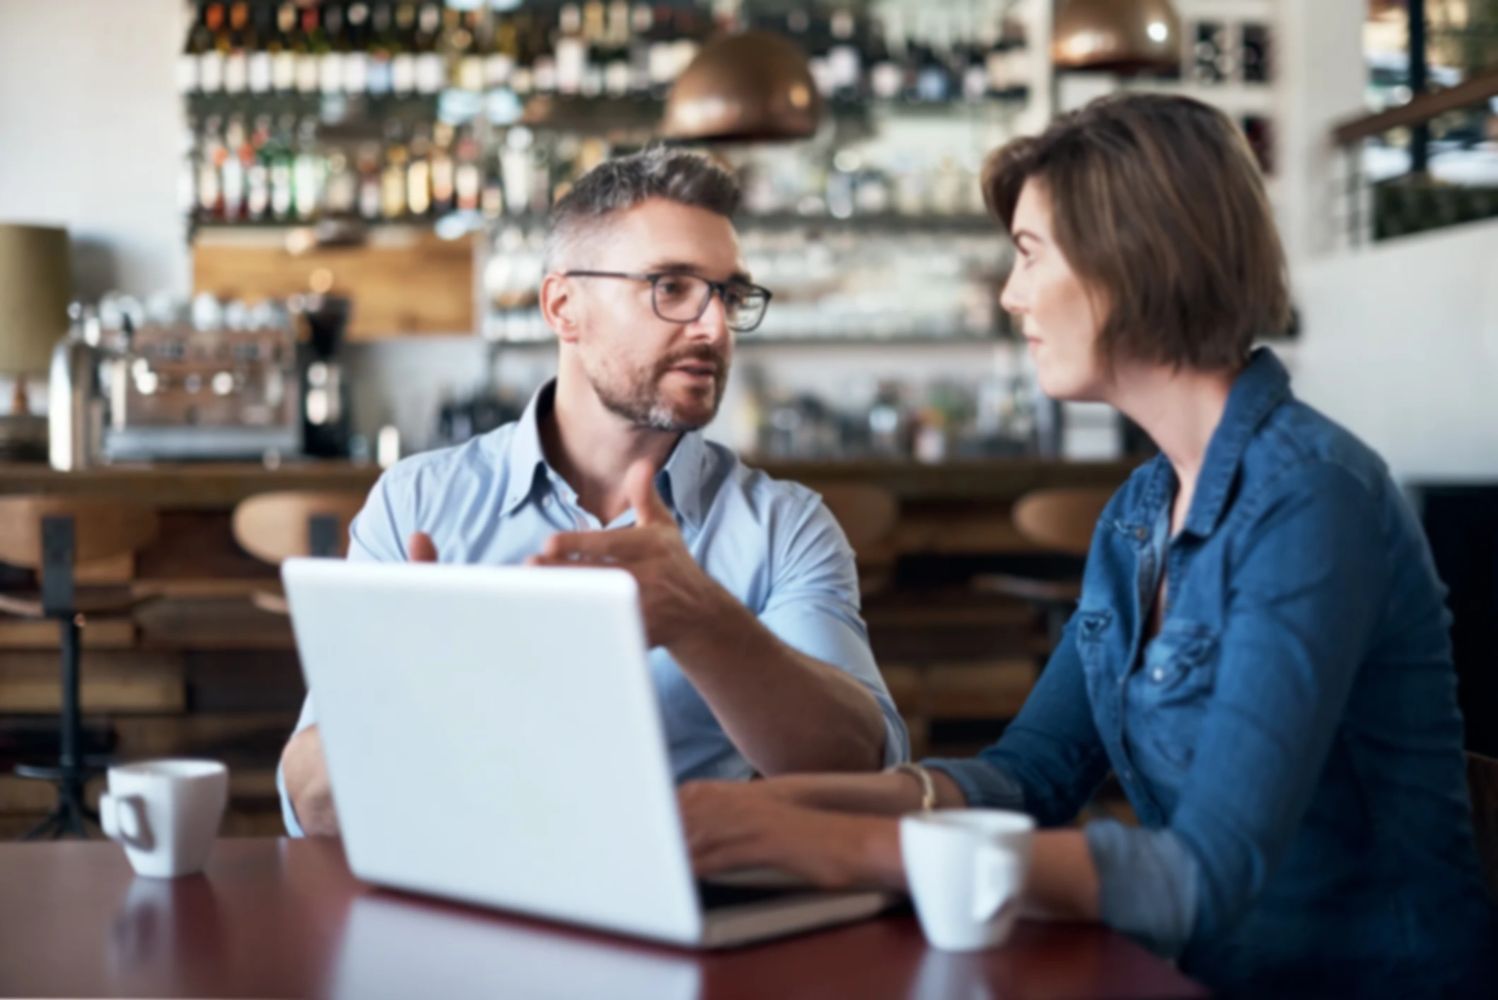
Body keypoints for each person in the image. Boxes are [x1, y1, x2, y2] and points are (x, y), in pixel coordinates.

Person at [679, 94, 1496, 997]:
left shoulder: (1311, 499)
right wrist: (774, 805)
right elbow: (1031, 774)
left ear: (1130, 258)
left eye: (1029, 254)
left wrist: (845, 848)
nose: (1009, 294)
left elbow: (1205, 873)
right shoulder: (1143, 510)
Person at [279, 148, 908, 837]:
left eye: (728, 294)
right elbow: (310, 804)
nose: (715, 328)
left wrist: (702, 620)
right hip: (465, 893)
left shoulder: (783, 525)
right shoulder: (416, 505)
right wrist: (426, 693)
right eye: (671, 287)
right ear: (563, 306)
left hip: (691, 908)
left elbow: (864, 773)